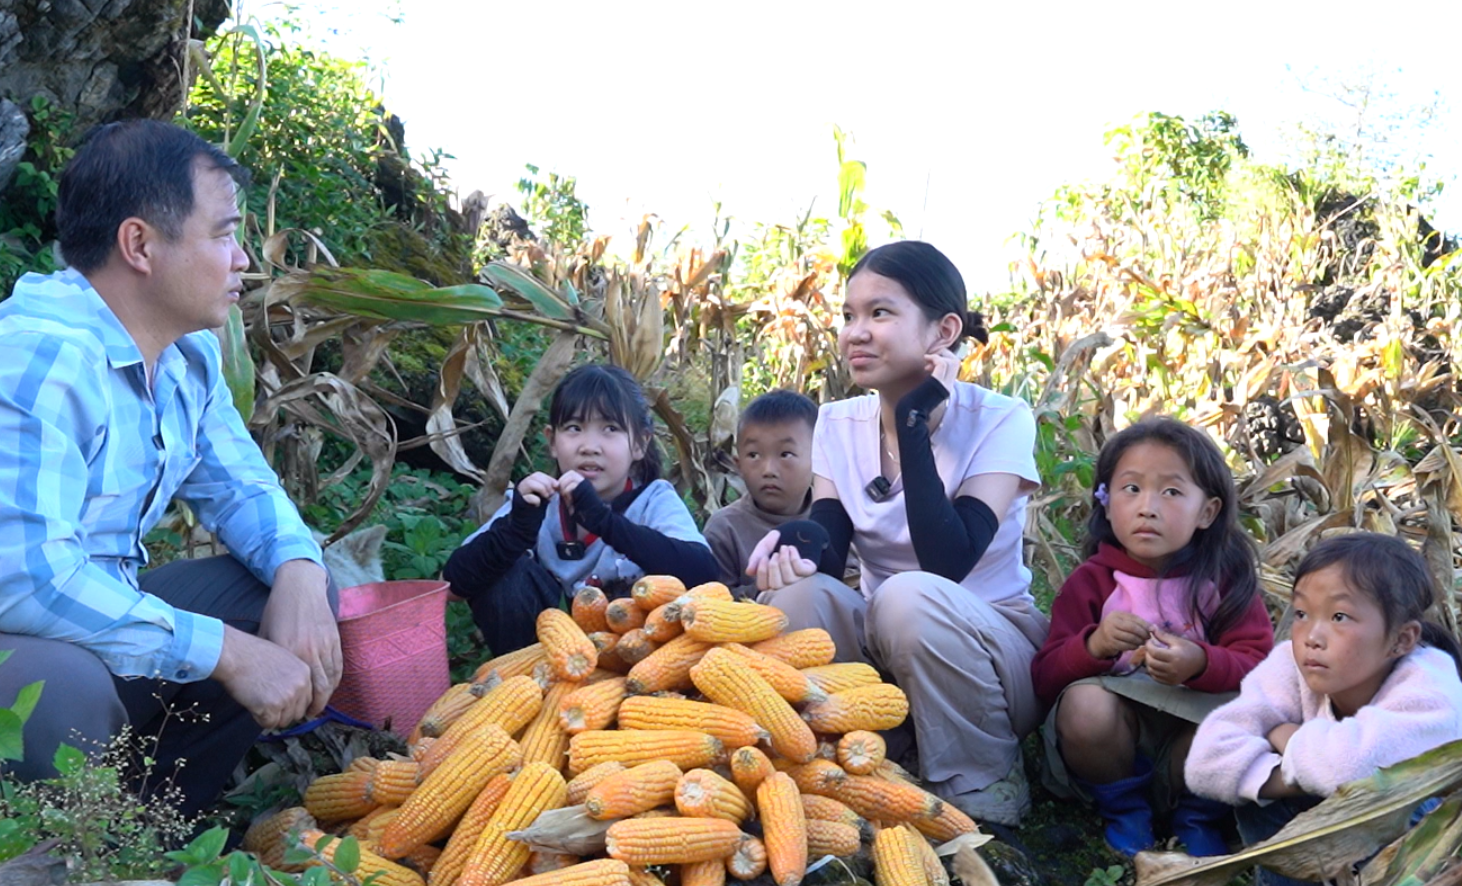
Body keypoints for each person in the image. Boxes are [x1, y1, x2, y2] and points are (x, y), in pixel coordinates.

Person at [0, 120, 338, 814]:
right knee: (61, 688)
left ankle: (150, 825)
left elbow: (243, 487)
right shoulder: (36, 359)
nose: (243, 259)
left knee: (287, 596)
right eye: (222, 234)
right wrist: (231, 654)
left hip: (59, 647)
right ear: (140, 245)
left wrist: (301, 570)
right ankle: (56, 857)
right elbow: (29, 589)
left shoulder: (185, 358)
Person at [744, 241, 1045, 828]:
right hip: (888, 643)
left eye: (879, 314)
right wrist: (793, 549)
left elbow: (949, 559)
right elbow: (829, 539)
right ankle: (840, 766)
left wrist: (913, 420)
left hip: (993, 650)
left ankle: (981, 781)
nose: (855, 332)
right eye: (849, 315)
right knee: (797, 597)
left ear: (943, 331)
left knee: (907, 594)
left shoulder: (1001, 419)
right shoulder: (836, 421)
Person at [1184, 532, 1462, 886]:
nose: (1311, 637)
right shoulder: (1292, 664)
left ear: (1401, 639)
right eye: (1301, 613)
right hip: (1359, 860)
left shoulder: (1429, 688)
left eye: (1339, 617)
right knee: (1262, 794)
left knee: (1374, 797)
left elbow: (1349, 768)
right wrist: (1293, 772)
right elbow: (1206, 763)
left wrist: (1283, 736)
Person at [1031, 417, 1274, 858]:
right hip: (1121, 747)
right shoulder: (1092, 583)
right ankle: (1125, 811)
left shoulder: (1224, 580)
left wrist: (1201, 663)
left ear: (1208, 512)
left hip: (1193, 747)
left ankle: (1197, 815)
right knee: (1084, 705)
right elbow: (1046, 681)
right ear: (1106, 503)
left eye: (1172, 492)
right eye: (1132, 489)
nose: (1148, 507)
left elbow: (1260, 666)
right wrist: (1095, 647)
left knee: (1249, 716)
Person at [443, 364, 718, 654]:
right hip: (552, 660)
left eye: (610, 429)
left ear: (639, 443)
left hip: (642, 658)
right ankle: (524, 683)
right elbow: (453, 586)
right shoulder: (536, 503)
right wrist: (516, 529)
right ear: (552, 441)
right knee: (506, 574)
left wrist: (603, 521)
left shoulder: (653, 500)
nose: (589, 446)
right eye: (574, 428)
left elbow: (705, 573)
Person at [706, 389, 821, 598]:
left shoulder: (836, 520)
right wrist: (764, 588)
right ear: (738, 465)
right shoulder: (725, 529)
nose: (768, 470)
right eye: (754, 455)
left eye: (786, 454)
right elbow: (713, 602)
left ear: (820, 459)